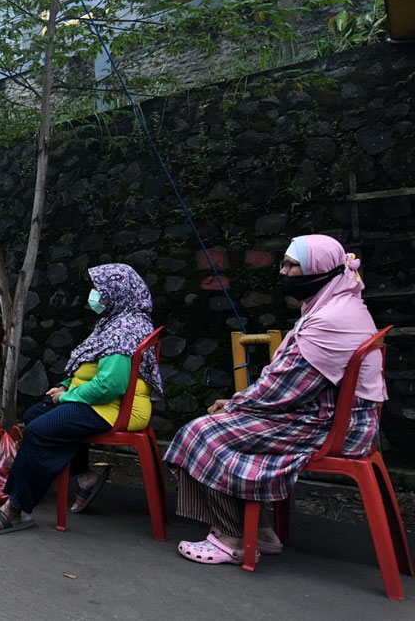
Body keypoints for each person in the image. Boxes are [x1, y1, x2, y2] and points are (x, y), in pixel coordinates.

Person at [164, 234, 385, 565]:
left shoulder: (329, 320)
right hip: (335, 417)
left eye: (291, 265)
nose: (282, 272)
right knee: (219, 426)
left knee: (203, 433)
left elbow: (283, 389)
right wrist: (240, 404)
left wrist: (236, 403)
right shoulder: (341, 305)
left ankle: (231, 537)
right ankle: (261, 530)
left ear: (319, 269)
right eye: (283, 264)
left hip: (327, 425)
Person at [0, 263, 162, 534]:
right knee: (34, 415)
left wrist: (67, 397)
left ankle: (15, 508)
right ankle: (84, 477)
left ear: (118, 292)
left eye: (101, 290)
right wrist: (64, 386)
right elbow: (92, 367)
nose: (95, 295)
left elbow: (110, 385)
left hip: (114, 408)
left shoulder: (124, 332)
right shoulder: (117, 321)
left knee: (39, 430)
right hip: (103, 402)